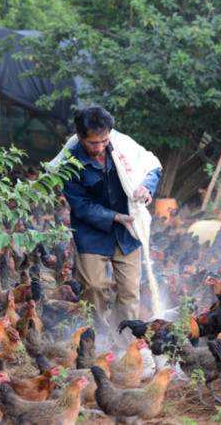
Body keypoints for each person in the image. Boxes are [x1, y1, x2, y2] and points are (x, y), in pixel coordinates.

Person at [55, 106, 161, 345]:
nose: (100, 147)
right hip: (92, 232)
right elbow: (80, 206)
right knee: (93, 287)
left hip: (128, 230)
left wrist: (147, 186)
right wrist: (114, 216)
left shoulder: (124, 147)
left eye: (104, 140)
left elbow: (152, 167)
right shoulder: (69, 163)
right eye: (93, 143)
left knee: (129, 291)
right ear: (80, 137)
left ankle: (124, 344)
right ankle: (99, 337)